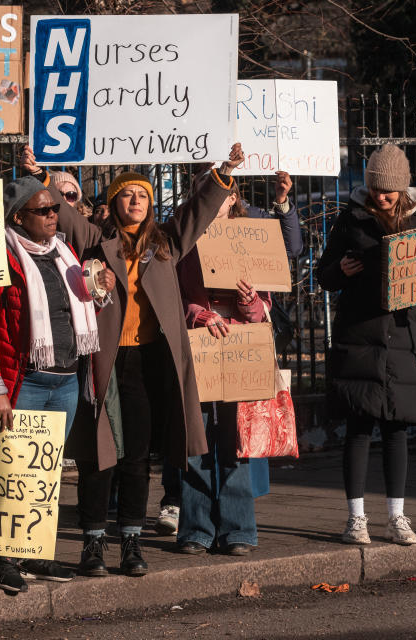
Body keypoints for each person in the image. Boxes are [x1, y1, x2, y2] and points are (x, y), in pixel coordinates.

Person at [18, 143, 243, 577]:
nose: (135, 200)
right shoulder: (95, 240)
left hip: (146, 363)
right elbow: (64, 217)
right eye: (126, 194)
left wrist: (224, 172)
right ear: (114, 203)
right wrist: (42, 175)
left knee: (137, 457)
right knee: (98, 456)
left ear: (151, 203)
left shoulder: (166, 244)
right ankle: (93, 544)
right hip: (103, 363)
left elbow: (198, 211)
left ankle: (132, 544)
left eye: (142, 194)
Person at [0, 176, 115, 591]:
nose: (53, 216)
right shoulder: (3, 256)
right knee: (10, 473)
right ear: (19, 217)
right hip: (26, 382)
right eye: (43, 211)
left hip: (66, 380)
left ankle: (35, 555)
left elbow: (76, 306)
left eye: (55, 209)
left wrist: (100, 290)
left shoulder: (65, 252)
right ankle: (0, 559)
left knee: (45, 473)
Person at [154, 169, 303, 538]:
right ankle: (197, 530)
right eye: (205, 196)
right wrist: (198, 314)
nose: (215, 203)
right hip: (199, 346)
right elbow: (171, 294)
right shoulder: (184, 239)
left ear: (234, 199)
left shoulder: (252, 235)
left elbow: (263, 308)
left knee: (238, 441)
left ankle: (238, 529)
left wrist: (249, 300)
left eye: (221, 196)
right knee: (197, 439)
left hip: (242, 348)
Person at [316, 144, 416, 547]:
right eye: (375, 189)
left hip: (402, 340)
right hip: (360, 339)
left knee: (397, 430)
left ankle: (398, 517)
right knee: (359, 429)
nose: (380, 197)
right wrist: (340, 270)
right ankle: (356, 518)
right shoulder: (350, 221)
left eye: (388, 191)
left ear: (402, 189)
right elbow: (323, 275)